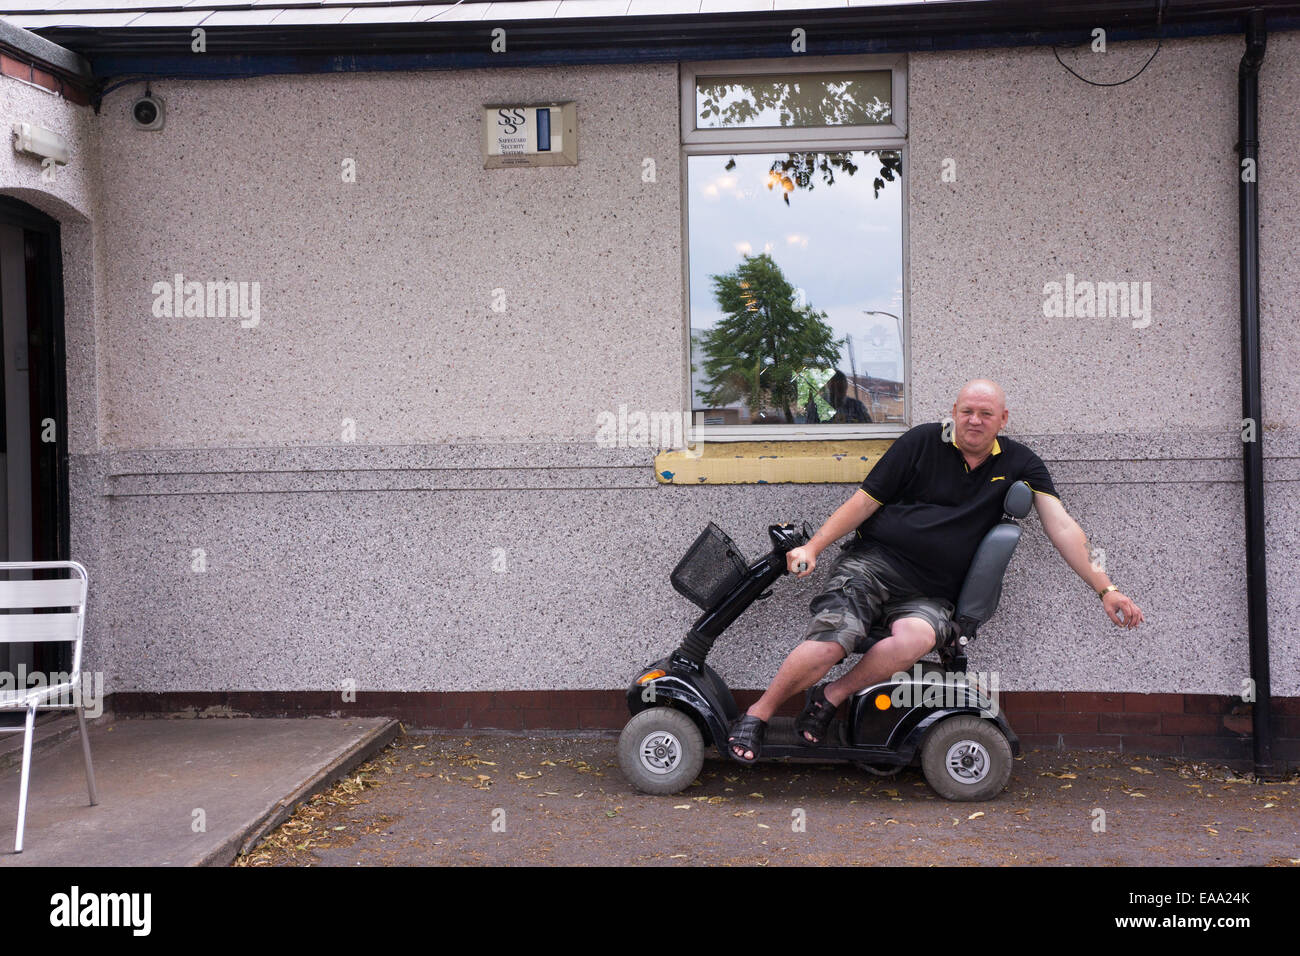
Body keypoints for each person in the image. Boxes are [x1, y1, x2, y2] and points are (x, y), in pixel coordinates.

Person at [726, 378, 1144, 762]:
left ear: (1003, 419)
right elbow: (865, 500)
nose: (974, 421)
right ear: (954, 411)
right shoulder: (922, 441)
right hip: (872, 566)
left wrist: (1106, 589)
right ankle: (759, 714)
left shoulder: (1020, 463)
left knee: (917, 638)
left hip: (931, 591)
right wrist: (814, 546)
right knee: (831, 642)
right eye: (967, 411)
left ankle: (830, 697)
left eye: (985, 414)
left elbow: (1064, 527)